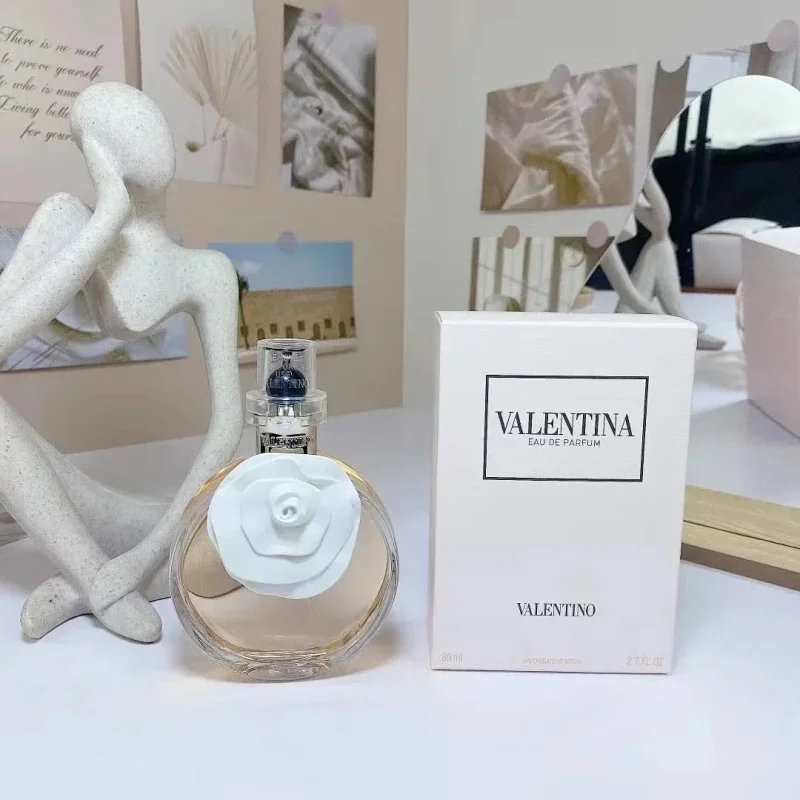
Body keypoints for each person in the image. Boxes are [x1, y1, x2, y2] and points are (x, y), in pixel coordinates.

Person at [0, 83, 243, 641]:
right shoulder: (69, 221)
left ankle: (90, 582)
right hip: (86, 507)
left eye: (149, 120)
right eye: (114, 127)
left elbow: (227, 424)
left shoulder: (207, 271)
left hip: (158, 517)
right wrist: (108, 217)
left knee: (220, 557)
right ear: (96, 152)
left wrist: (142, 557)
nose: (151, 138)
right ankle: (91, 578)